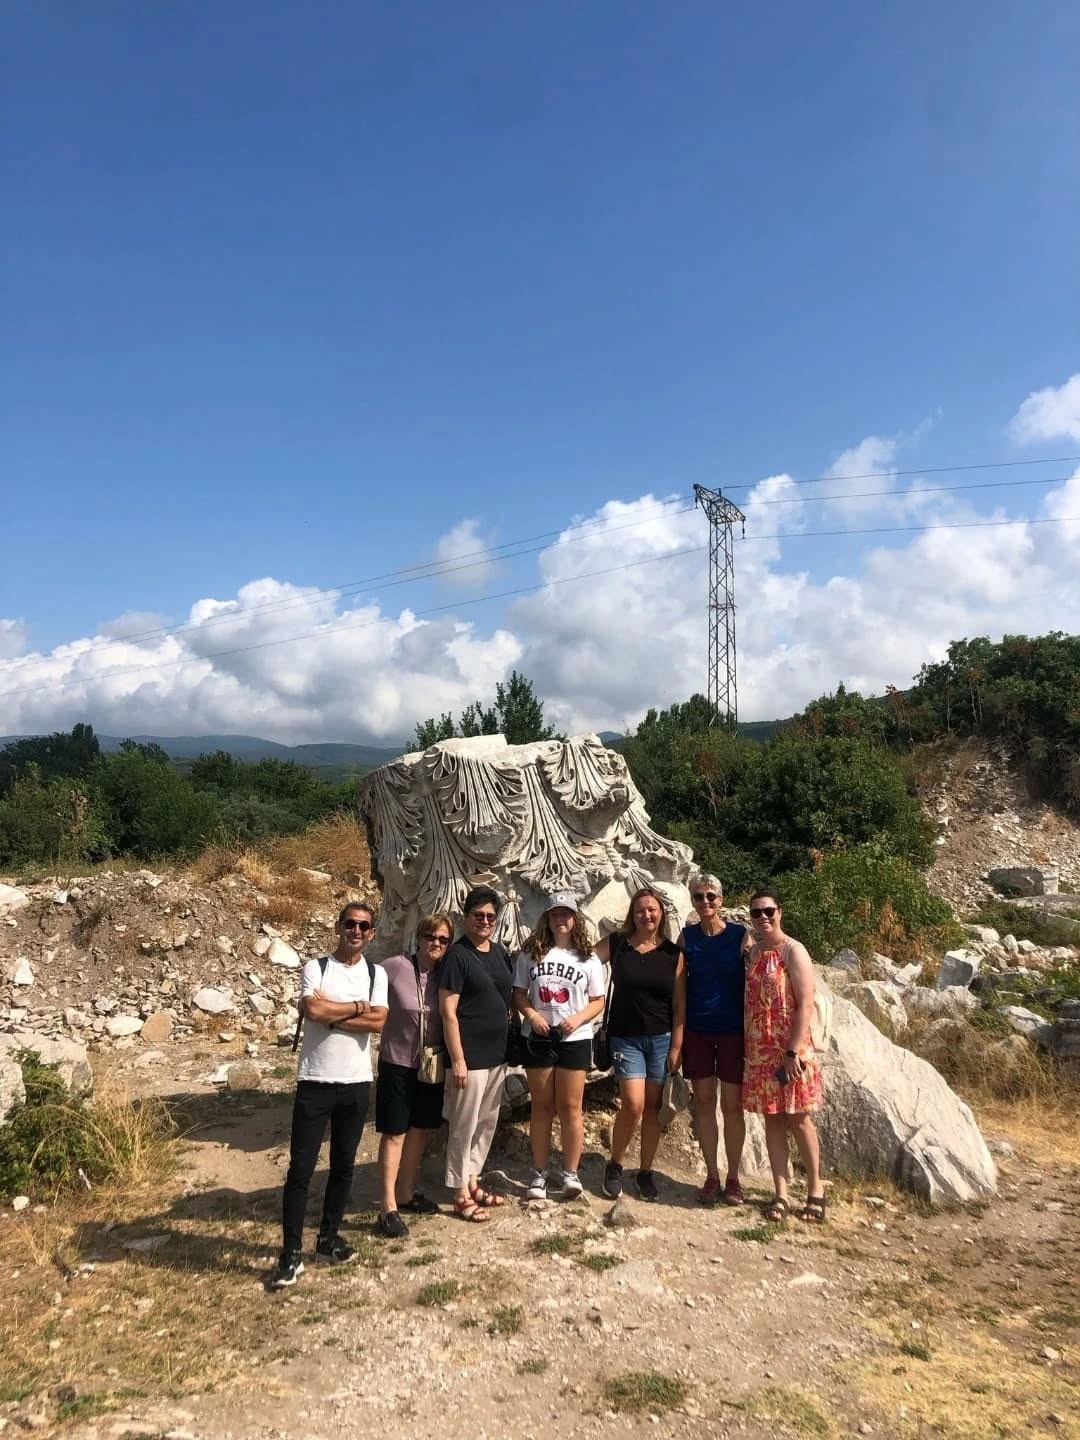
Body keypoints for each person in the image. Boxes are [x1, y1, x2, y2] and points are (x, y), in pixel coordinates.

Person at [271, 901, 389, 1288]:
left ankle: (328, 1237)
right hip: (315, 1080)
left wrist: (334, 1011)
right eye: (350, 924)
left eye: (364, 926)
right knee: (300, 1170)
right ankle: (290, 1252)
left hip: (356, 1081)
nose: (356, 931)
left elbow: (378, 1020)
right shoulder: (316, 967)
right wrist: (356, 1008)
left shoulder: (377, 973)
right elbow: (313, 1010)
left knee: (343, 1165)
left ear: (372, 933)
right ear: (338, 927)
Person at [513, 891, 606, 1201]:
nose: (561, 919)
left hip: (574, 1038)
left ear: (574, 918)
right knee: (541, 1107)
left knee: (571, 1108)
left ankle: (570, 1172)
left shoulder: (588, 956)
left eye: (566, 914)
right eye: (555, 913)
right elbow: (520, 993)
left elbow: (598, 1001)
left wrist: (578, 1019)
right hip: (538, 1036)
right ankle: (539, 1172)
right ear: (547, 917)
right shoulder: (532, 952)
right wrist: (531, 1014)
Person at [596, 886, 686, 1202]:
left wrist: (677, 1046)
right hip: (625, 1037)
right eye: (639, 910)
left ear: (661, 913)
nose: (646, 915)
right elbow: (585, 962)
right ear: (631, 915)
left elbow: (679, 1006)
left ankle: (645, 1171)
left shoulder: (673, 954)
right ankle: (616, 1164)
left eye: (651, 909)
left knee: (653, 1109)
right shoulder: (618, 944)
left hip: (661, 1039)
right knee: (632, 1104)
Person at [742, 889, 826, 1224]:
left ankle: (816, 1190)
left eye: (769, 911)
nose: (763, 918)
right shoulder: (754, 952)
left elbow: (805, 1001)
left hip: (791, 1051)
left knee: (800, 1118)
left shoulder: (793, 950)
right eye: (756, 913)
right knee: (772, 1119)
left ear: (780, 912)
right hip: (759, 1050)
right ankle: (780, 1193)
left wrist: (793, 1051)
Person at [374, 912, 453, 1238]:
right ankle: (387, 1206)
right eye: (430, 936)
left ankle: (406, 1192)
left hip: (430, 1064)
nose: (435, 943)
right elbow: (367, 993)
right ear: (419, 937)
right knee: (394, 1132)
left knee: (420, 1129)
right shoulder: (395, 967)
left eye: (443, 939)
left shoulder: (447, 975)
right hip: (397, 1061)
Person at [440, 885, 513, 1222]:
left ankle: (472, 1180)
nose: (484, 921)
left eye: (490, 917)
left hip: (497, 1054)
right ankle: (458, 1192)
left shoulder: (499, 952)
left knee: (486, 1122)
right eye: (478, 915)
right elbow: (448, 1011)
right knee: (464, 1124)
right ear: (466, 917)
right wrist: (457, 1059)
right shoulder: (457, 955)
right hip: (469, 1055)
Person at [679, 874, 750, 1206]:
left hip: (733, 1031)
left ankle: (733, 1177)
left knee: (733, 1106)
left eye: (710, 896)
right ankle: (712, 1174)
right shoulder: (687, 937)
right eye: (698, 897)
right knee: (704, 1103)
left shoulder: (739, 936)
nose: (705, 902)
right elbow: (679, 988)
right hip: (698, 1030)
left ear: (721, 899)